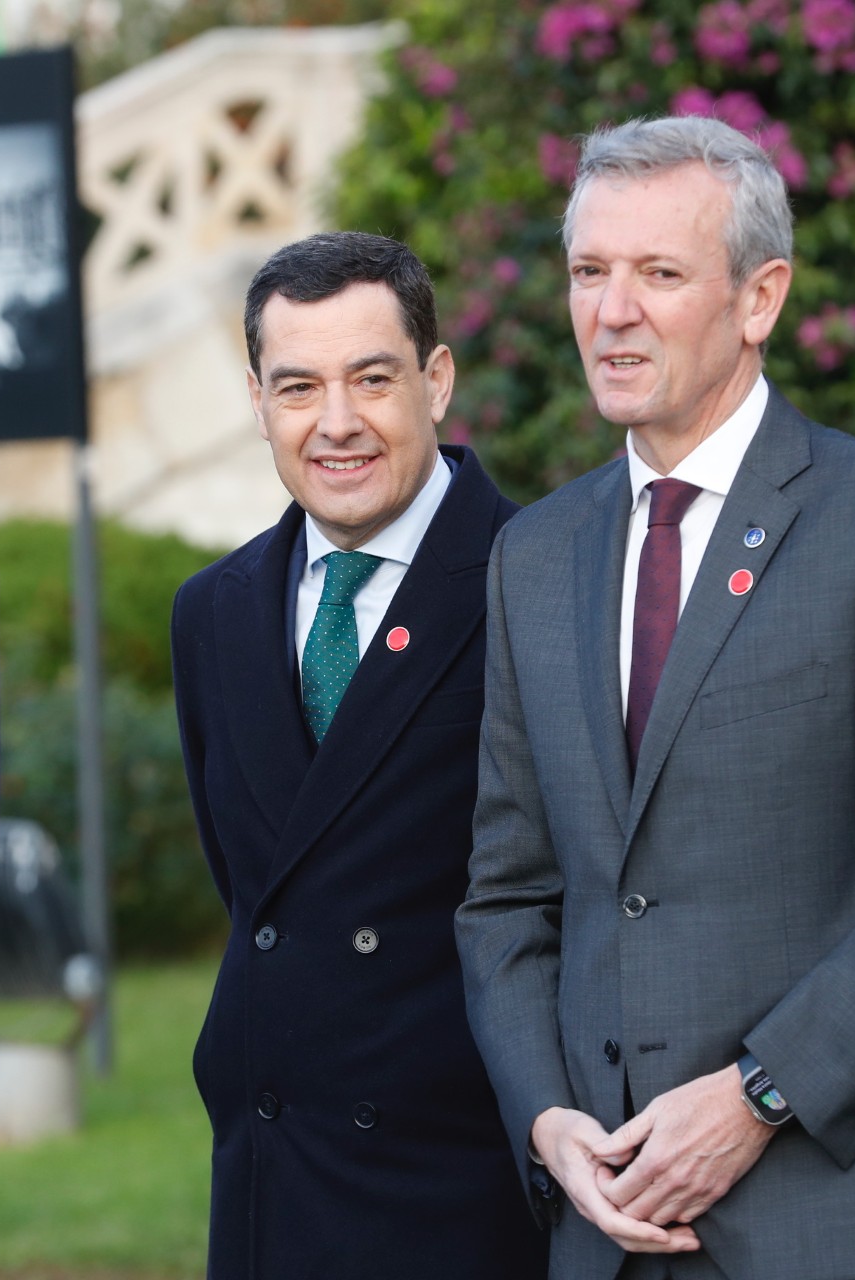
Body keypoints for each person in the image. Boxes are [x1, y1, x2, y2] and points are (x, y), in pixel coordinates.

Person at [457, 116, 855, 1280]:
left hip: (847, 1219)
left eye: (658, 273)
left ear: (760, 298)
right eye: (588, 271)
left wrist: (760, 1092)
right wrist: (546, 1119)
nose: (611, 311)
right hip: (609, 1227)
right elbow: (507, 894)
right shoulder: (533, 555)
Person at [171, 231, 546, 1279]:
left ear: (437, 379)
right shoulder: (212, 612)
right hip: (273, 1165)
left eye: (372, 379)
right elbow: (254, 884)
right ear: (258, 402)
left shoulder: (538, 577)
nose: (336, 423)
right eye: (298, 387)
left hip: (466, 1180)